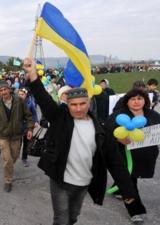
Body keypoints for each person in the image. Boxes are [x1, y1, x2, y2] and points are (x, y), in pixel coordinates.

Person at [23, 58, 137, 225]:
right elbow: (43, 99)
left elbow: (115, 161)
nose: (78, 108)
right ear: (67, 105)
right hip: (60, 181)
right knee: (61, 219)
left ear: (89, 103)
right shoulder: (60, 118)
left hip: (84, 183)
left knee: (73, 217)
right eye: (73, 104)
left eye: (82, 103)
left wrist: (127, 190)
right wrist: (32, 74)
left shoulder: (100, 129)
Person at [106, 88, 160, 223]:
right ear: (127, 101)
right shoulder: (118, 115)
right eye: (133, 99)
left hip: (144, 156)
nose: (136, 102)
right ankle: (135, 211)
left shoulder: (153, 114)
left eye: (140, 98)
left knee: (132, 177)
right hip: (122, 155)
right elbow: (107, 131)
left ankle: (119, 190)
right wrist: (118, 138)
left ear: (145, 100)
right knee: (129, 182)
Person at [0, 80, 34, 192]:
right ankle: (8, 180)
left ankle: (9, 168)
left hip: (17, 135)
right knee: (7, 159)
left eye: (5, 89)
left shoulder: (19, 101)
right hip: (3, 135)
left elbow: (28, 115)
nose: (3, 92)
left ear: (9, 89)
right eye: (1, 90)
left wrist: (30, 128)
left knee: (15, 156)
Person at [18, 88, 39, 167]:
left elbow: (34, 113)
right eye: (19, 94)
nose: (20, 96)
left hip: (28, 126)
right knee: (18, 143)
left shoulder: (30, 102)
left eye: (22, 94)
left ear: (26, 95)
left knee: (26, 143)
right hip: (19, 126)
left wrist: (36, 121)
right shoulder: (16, 102)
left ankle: (24, 158)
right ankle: (15, 155)